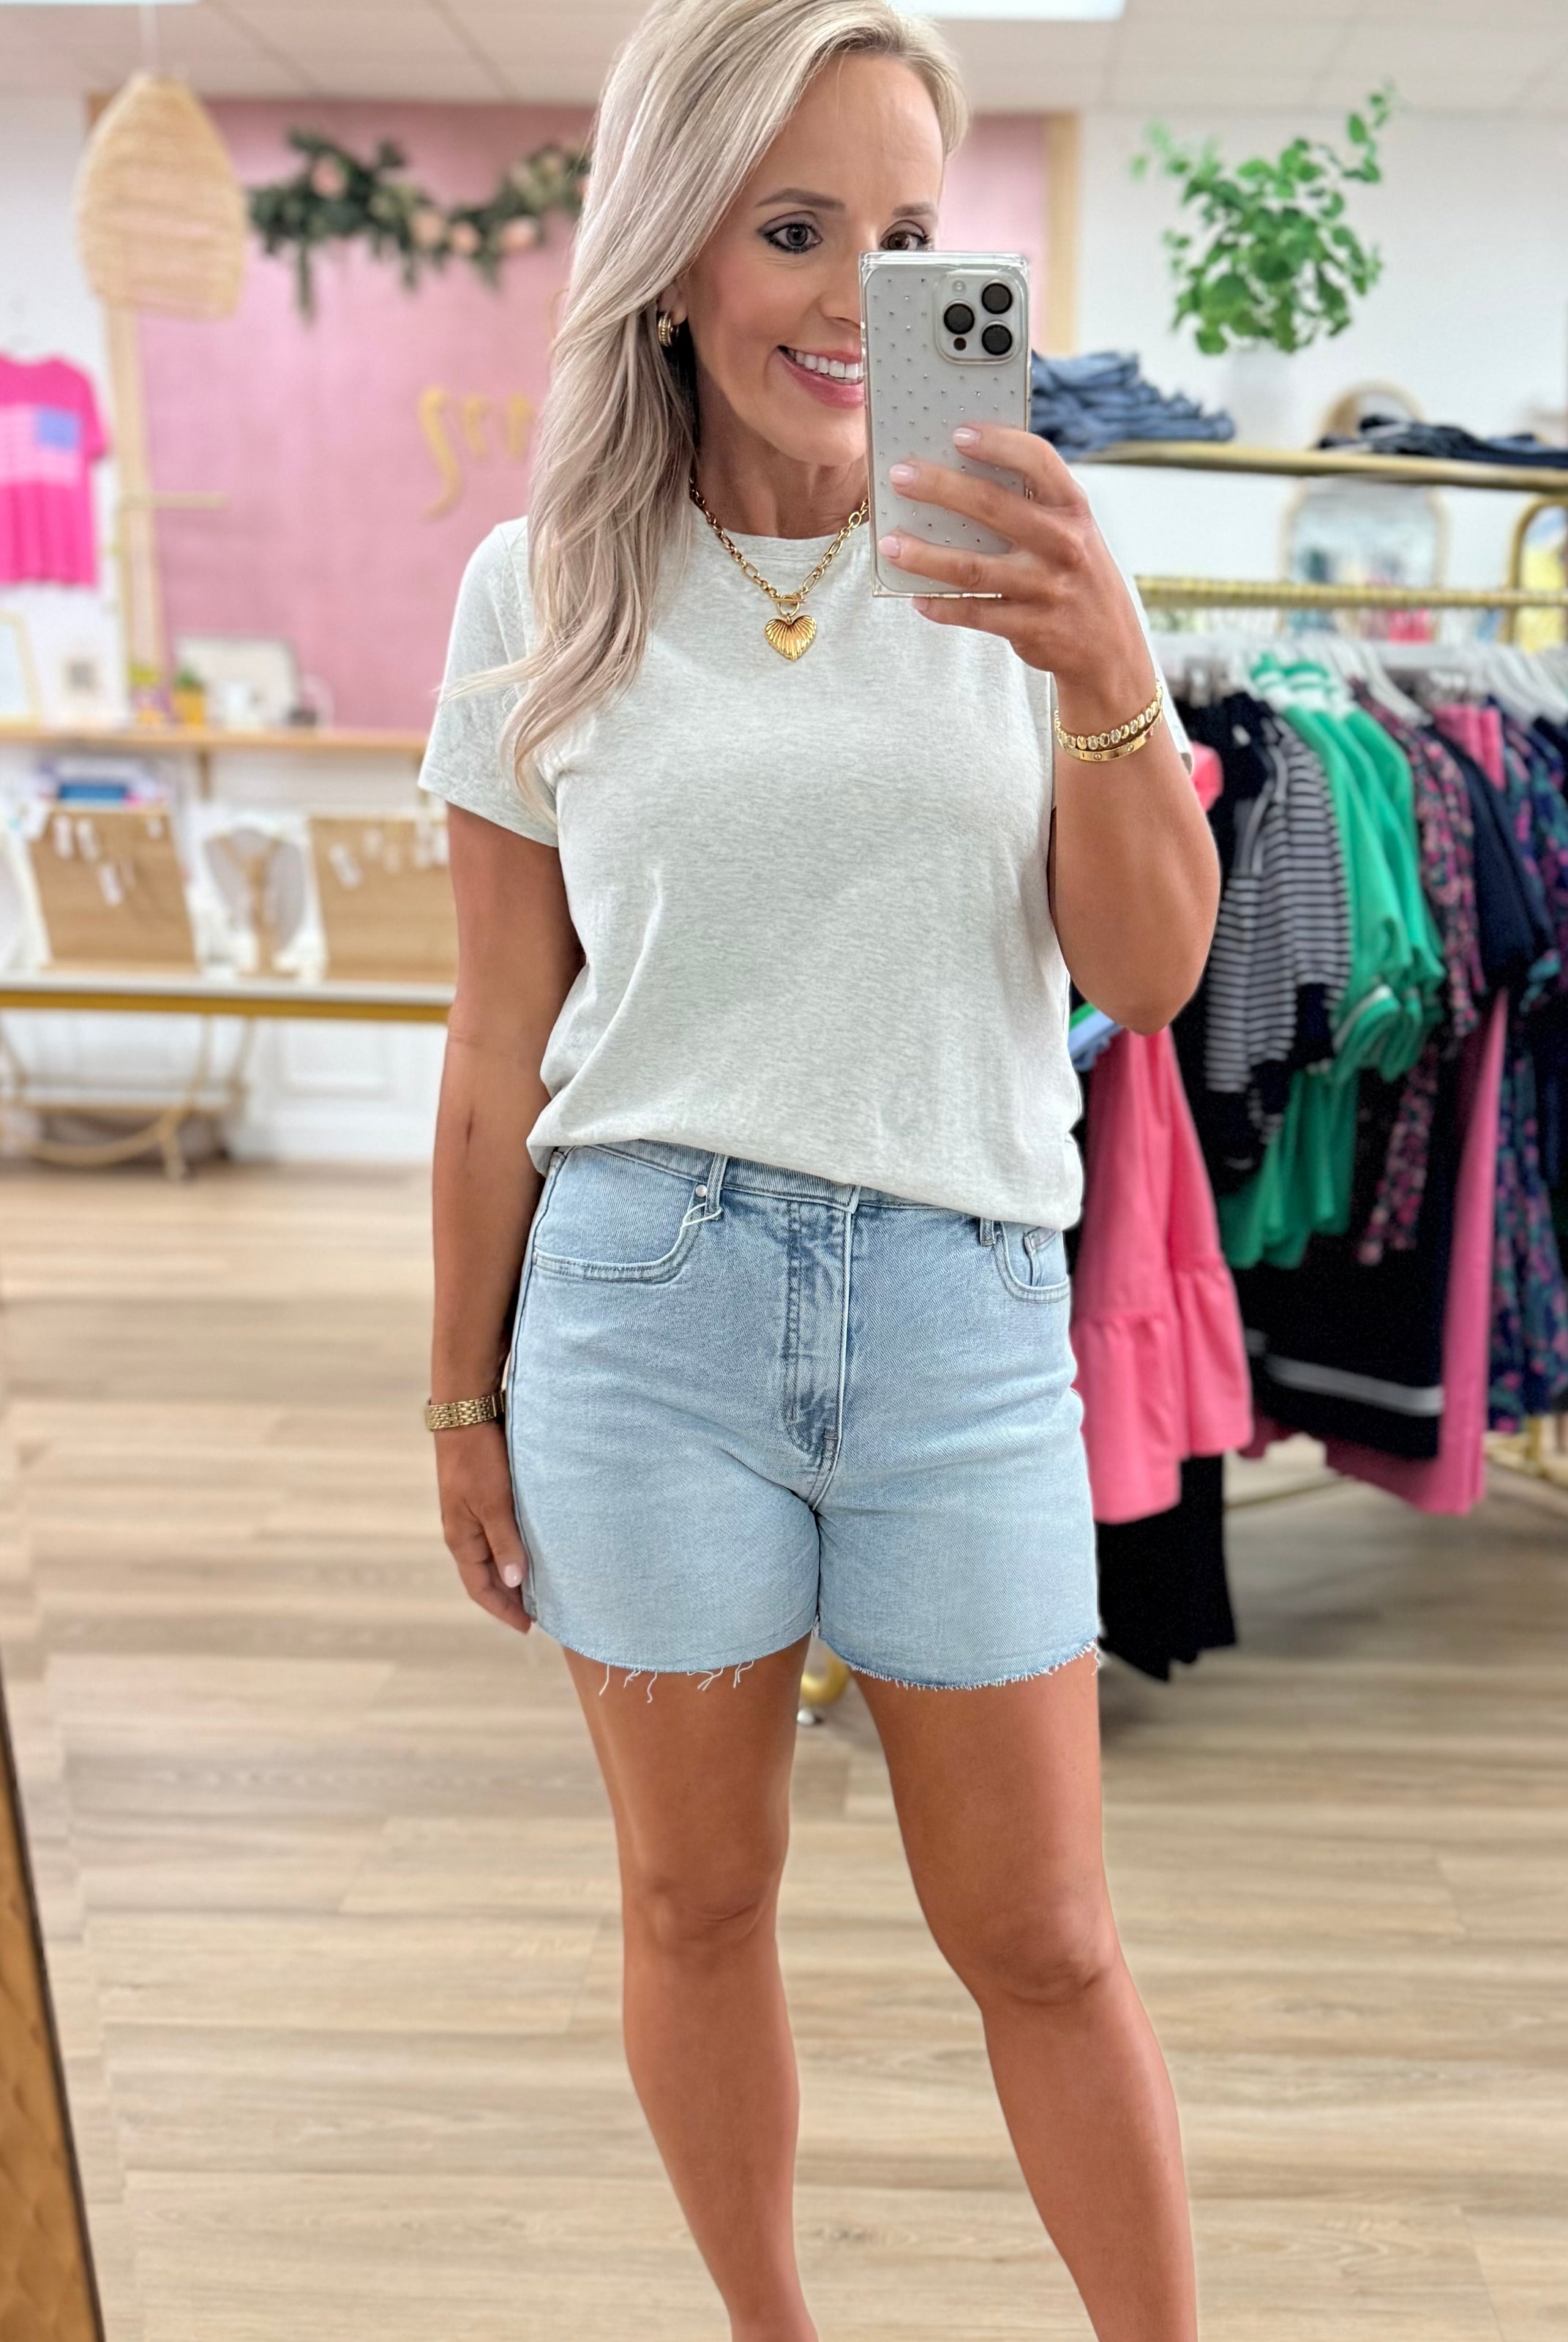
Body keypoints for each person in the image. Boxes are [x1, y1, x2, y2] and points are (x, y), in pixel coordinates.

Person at [420, 0, 1218, 2332]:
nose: (860, 295)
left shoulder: (1021, 559)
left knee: (1046, 1937)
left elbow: (1151, 975)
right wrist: (455, 1394)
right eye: (795, 230)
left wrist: (1103, 672)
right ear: (674, 255)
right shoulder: (541, 590)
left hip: (964, 1314)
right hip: (638, 1312)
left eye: (909, 237)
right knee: (696, 1904)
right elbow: (496, 1038)